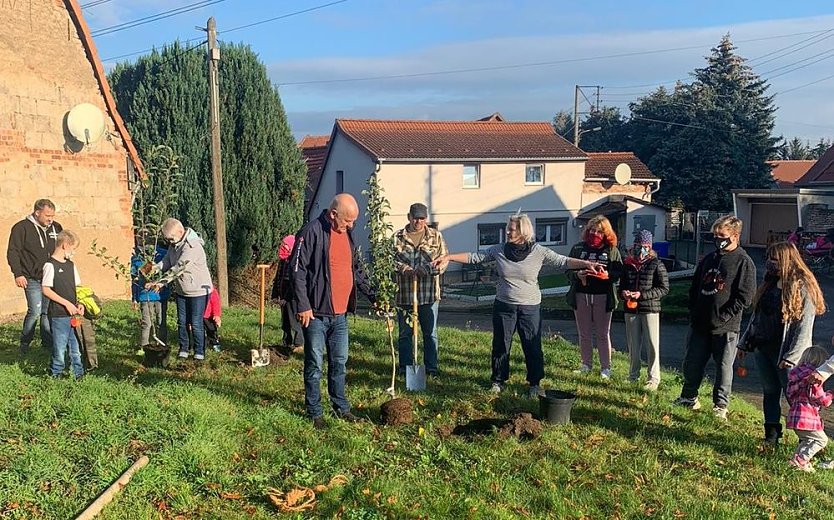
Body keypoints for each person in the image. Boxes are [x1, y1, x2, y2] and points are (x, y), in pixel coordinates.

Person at [436, 213, 602, 398]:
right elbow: (476, 257)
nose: (507, 231)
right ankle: (498, 380)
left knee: (532, 345)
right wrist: (449, 257)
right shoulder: (499, 250)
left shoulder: (539, 251)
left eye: (511, 229)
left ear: (523, 231)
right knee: (501, 344)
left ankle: (534, 383)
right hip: (504, 306)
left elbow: (562, 261)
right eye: (508, 228)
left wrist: (586, 263)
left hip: (530, 307)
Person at [290, 194, 376, 429]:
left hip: (340, 316)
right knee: (315, 363)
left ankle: (341, 408)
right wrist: (303, 305)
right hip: (316, 313)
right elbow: (296, 271)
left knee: (339, 362)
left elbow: (355, 269)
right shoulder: (310, 232)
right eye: (347, 220)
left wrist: (373, 295)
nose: (351, 225)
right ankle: (314, 412)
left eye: (353, 221)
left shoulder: (347, 233)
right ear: (333, 214)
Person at [738, 242, 825, 445]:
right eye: (769, 257)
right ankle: (771, 436)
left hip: (787, 355)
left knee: (795, 397)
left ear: (786, 260)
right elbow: (756, 317)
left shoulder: (802, 286)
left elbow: (804, 327)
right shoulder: (768, 283)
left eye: (774, 259)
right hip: (763, 348)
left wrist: (791, 357)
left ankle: (810, 440)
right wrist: (744, 343)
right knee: (769, 392)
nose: (769, 263)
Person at [675, 215, 756, 420]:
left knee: (723, 368)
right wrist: (694, 311)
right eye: (715, 235)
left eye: (722, 235)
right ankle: (688, 397)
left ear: (735, 236)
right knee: (692, 362)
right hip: (700, 324)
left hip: (725, 328)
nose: (718, 238)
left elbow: (745, 297)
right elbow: (695, 287)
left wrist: (724, 316)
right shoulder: (710, 259)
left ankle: (720, 405)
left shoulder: (743, 262)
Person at [394, 202, 448, 377]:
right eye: (415, 218)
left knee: (430, 333)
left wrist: (429, 269)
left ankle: (431, 368)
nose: (418, 221)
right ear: (409, 217)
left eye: (422, 218)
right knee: (405, 334)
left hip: (428, 294)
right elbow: (389, 261)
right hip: (405, 295)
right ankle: (405, 368)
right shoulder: (397, 238)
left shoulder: (436, 237)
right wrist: (405, 270)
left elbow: (444, 260)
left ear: (426, 219)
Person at [147, 218, 214, 361]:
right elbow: (167, 261)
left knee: (195, 322)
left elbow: (178, 268)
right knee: (181, 321)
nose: (169, 242)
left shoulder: (192, 247)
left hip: (198, 290)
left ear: (180, 231)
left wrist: (160, 283)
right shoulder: (175, 244)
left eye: (171, 238)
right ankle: (184, 348)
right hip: (182, 290)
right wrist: (154, 268)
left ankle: (199, 352)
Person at [566, 215, 623, 379]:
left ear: (606, 233)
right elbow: (567, 270)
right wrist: (578, 274)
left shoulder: (611, 250)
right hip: (581, 294)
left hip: (603, 296)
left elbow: (618, 272)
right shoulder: (578, 248)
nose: (595, 234)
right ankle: (586, 364)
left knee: (603, 333)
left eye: (599, 231)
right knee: (583, 333)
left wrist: (607, 275)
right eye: (592, 230)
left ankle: (606, 368)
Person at [6, 199, 63, 354]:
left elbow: (62, 249)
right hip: (31, 278)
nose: (50, 219)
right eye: (47, 215)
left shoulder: (56, 228)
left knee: (47, 311)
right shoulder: (21, 228)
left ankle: (47, 342)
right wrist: (18, 273)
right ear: (37, 213)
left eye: (52, 215)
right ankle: (25, 343)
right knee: (35, 311)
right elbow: (13, 252)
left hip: (49, 277)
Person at [619, 230, 669, 391]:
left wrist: (642, 295)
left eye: (645, 246)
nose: (641, 249)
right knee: (633, 343)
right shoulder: (627, 264)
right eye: (639, 246)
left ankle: (653, 378)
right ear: (634, 246)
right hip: (630, 309)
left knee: (652, 343)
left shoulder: (656, 264)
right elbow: (622, 286)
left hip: (650, 309)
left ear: (650, 247)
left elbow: (664, 288)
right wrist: (624, 293)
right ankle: (633, 375)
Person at [41, 230, 85, 379]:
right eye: (73, 248)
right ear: (65, 245)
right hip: (59, 314)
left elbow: (77, 288)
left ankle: (78, 372)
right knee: (60, 346)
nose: (74, 252)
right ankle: (56, 373)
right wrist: (66, 303)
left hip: (73, 314)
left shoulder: (71, 265)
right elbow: (46, 289)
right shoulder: (50, 265)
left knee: (75, 346)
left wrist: (79, 304)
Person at [785, 346, 834, 472]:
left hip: (795, 417)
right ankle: (801, 460)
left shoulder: (796, 376)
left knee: (808, 439)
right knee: (822, 440)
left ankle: (796, 460)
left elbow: (790, 394)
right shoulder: (813, 378)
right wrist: (831, 394)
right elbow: (822, 399)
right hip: (807, 417)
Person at [131, 241, 169, 347]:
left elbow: (168, 271)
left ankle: (162, 345)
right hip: (145, 296)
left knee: (161, 322)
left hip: (161, 294)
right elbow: (134, 279)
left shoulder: (163, 254)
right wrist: (134, 298)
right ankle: (144, 346)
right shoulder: (136, 258)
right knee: (146, 322)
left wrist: (161, 284)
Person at [271, 234, 304, 353]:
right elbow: (278, 278)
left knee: (294, 320)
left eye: (285, 246)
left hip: (292, 297)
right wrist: (275, 294)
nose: (282, 247)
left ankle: (299, 343)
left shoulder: (295, 262)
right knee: (285, 320)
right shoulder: (282, 262)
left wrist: (287, 297)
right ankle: (286, 341)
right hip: (283, 296)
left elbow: (294, 282)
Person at [204, 286, 222, 352]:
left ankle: (215, 343)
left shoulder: (212, 291)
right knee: (201, 332)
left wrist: (216, 315)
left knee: (212, 330)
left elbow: (216, 304)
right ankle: (203, 345)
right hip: (199, 316)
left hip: (209, 316)